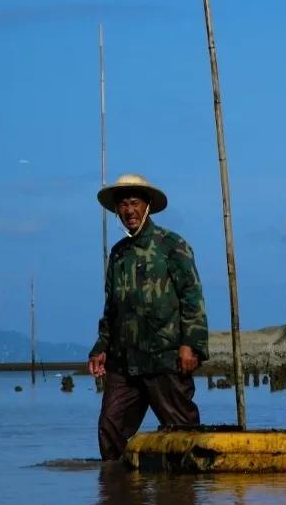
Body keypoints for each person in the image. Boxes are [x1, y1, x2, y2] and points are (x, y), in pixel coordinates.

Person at [89, 174, 209, 461]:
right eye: (123, 205)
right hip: (124, 361)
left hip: (165, 357)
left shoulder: (172, 246)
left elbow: (192, 297)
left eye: (134, 203)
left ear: (147, 206)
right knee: (110, 428)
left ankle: (185, 491)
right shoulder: (118, 255)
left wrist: (190, 344)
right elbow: (112, 308)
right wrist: (100, 347)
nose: (129, 210)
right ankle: (119, 491)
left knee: (181, 432)